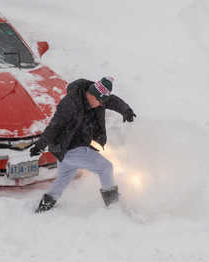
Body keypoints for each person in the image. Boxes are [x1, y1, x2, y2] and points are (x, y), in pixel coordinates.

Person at [29, 77, 136, 213]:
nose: (100, 105)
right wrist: (40, 145)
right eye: (98, 101)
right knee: (105, 168)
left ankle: (46, 203)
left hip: (69, 149)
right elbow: (55, 125)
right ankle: (113, 204)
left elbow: (112, 100)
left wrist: (125, 110)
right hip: (69, 147)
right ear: (90, 94)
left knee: (64, 177)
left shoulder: (98, 97)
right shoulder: (70, 104)